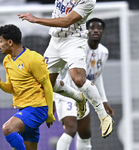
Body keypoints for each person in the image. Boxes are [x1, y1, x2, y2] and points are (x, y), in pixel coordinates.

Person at [17, 0, 113, 138]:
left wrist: (36, 19)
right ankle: (78, 98)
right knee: (44, 83)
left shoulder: (89, 1)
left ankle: (104, 117)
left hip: (74, 40)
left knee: (78, 79)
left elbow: (66, 21)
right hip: (55, 40)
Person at [0, 24, 55, 150]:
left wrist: (50, 113)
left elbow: (47, 85)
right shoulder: (7, 60)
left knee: (8, 128)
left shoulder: (33, 59)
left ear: (10, 42)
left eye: (0, 41)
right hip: (23, 110)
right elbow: (11, 88)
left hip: (37, 109)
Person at [54, 18, 114, 150]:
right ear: (86, 31)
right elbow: (59, 71)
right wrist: (51, 97)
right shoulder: (76, 49)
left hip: (83, 98)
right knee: (71, 128)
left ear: (103, 31)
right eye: (92, 28)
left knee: (85, 134)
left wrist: (103, 101)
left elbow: (97, 77)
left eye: (99, 28)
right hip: (66, 95)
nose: (95, 30)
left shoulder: (104, 52)